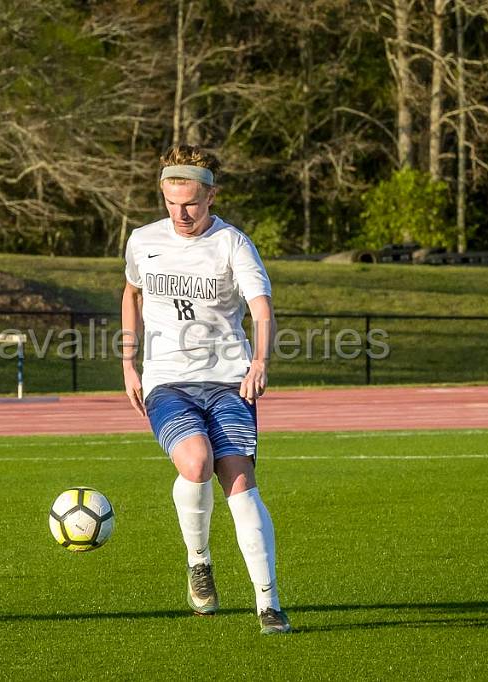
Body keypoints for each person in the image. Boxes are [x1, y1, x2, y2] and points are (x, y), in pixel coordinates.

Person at [120, 144, 290, 635]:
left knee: (238, 482)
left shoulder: (234, 244)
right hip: (167, 380)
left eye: (191, 202)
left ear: (211, 194)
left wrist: (259, 360)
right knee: (195, 462)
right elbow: (131, 291)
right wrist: (129, 363)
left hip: (228, 379)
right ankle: (199, 562)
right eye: (172, 203)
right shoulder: (142, 240)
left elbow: (260, 308)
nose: (181, 214)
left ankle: (269, 603)